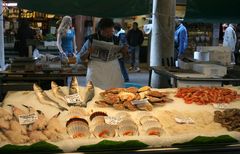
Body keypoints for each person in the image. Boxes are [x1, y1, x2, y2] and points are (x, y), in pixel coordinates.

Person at [78, 18, 128, 89]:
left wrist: (124, 51)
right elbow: (81, 58)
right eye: (106, 32)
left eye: (111, 31)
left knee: (114, 93)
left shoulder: (116, 40)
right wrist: (88, 51)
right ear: (100, 30)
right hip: (96, 73)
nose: (109, 34)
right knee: (95, 94)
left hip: (113, 73)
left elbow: (125, 57)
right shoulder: (91, 39)